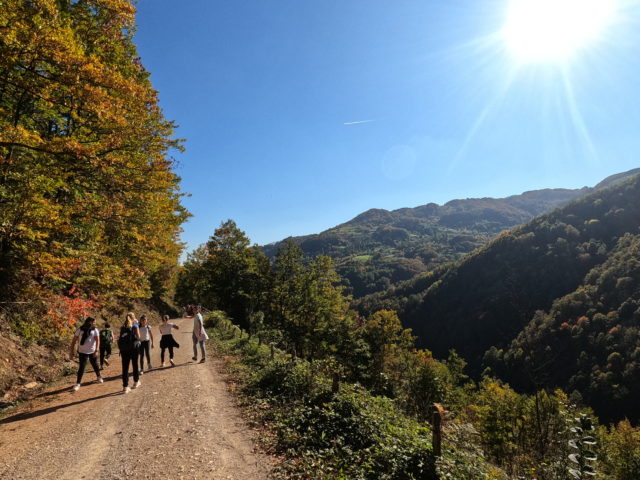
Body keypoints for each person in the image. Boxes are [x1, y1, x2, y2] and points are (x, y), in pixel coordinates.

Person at [69, 316, 103, 391]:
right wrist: (71, 352)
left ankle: (99, 377)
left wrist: (96, 350)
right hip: (82, 351)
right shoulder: (80, 330)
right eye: (94, 322)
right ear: (89, 322)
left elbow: (98, 341)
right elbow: (74, 341)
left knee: (94, 364)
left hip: (92, 351)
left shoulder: (95, 330)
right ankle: (78, 383)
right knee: (82, 367)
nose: (95, 323)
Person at [118, 315, 141, 393]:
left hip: (124, 350)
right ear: (133, 318)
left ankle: (125, 387)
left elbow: (120, 338)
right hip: (133, 349)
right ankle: (136, 382)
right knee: (135, 365)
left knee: (125, 368)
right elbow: (138, 337)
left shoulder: (122, 327)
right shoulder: (135, 326)